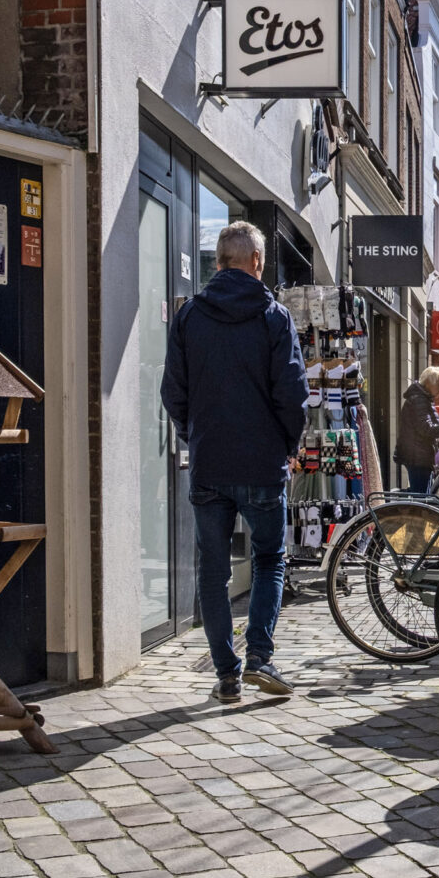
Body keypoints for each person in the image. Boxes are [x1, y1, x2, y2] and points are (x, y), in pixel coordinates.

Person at [161, 221, 308, 703]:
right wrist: (288, 445)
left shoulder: (188, 316)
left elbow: (173, 391)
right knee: (268, 559)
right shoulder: (273, 316)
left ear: (219, 261)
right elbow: (293, 393)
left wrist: (195, 436)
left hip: (209, 464)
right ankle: (260, 656)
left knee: (213, 570)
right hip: (262, 463)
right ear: (257, 262)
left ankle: (227, 674)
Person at [396, 366, 439, 493]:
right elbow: (426, 428)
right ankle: (398, 500)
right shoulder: (419, 400)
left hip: (419, 455)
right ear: (428, 383)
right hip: (418, 457)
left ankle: (401, 498)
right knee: (421, 496)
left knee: (423, 494)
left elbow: (426, 427)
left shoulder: (423, 398)